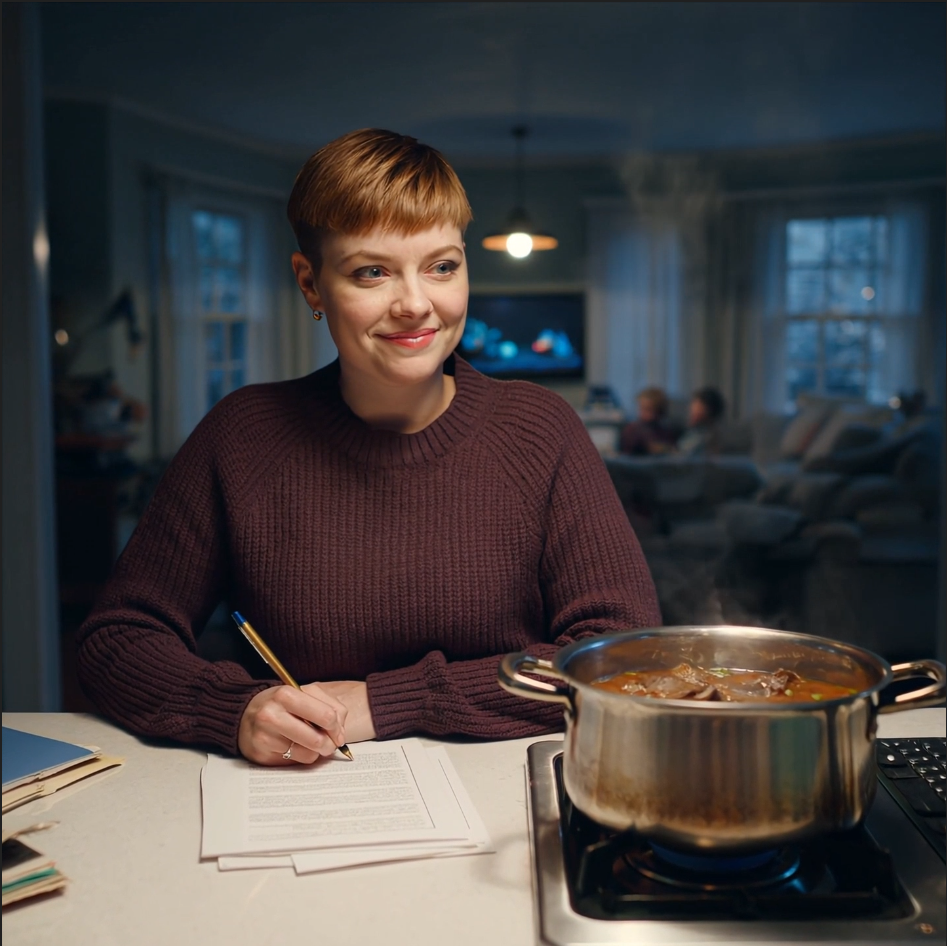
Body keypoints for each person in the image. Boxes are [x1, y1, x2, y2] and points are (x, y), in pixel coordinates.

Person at [76, 129, 660, 767]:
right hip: (305, 796)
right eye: (372, 272)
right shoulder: (241, 436)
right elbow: (118, 640)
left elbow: (619, 654)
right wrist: (233, 708)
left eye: (442, 266)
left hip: (503, 803)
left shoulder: (541, 429)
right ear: (311, 284)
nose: (416, 304)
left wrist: (386, 702)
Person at [618, 386, 680, 456]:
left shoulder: (667, 432)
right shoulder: (631, 430)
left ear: (660, 411)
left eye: (649, 409)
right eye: (642, 408)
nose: (644, 414)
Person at [676, 386, 726, 457]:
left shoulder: (709, 438)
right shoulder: (692, 432)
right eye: (692, 407)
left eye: (699, 408)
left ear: (710, 412)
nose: (692, 412)